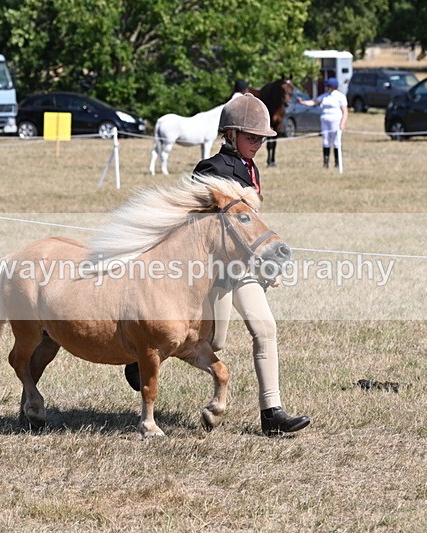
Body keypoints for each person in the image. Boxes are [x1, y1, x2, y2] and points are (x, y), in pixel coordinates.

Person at [124, 93, 311, 437]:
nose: (258, 144)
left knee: (265, 329)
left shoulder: (251, 168)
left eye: (262, 139)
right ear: (231, 134)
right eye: (252, 137)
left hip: (245, 270)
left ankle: (272, 412)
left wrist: (266, 262)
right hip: (217, 272)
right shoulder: (211, 170)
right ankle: (142, 356)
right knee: (214, 341)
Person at [297, 77, 348, 168]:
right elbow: (314, 102)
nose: (326, 87)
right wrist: (303, 102)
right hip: (325, 120)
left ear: (332, 87)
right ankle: (326, 163)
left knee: (336, 141)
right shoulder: (325, 96)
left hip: (336, 120)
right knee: (326, 141)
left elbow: (345, 111)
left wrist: (343, 123)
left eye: (328, 86)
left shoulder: (340, 97)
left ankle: (337, 162)